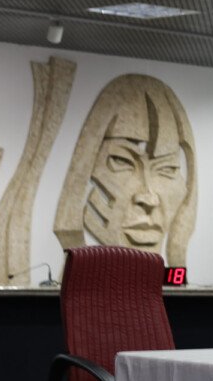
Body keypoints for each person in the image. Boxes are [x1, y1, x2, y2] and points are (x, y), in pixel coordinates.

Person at [54, 74, 196, 266]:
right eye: (122, 161)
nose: (149, 199)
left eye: (167, 168)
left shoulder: (172, 277)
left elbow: (176, 282)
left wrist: (177, 256)